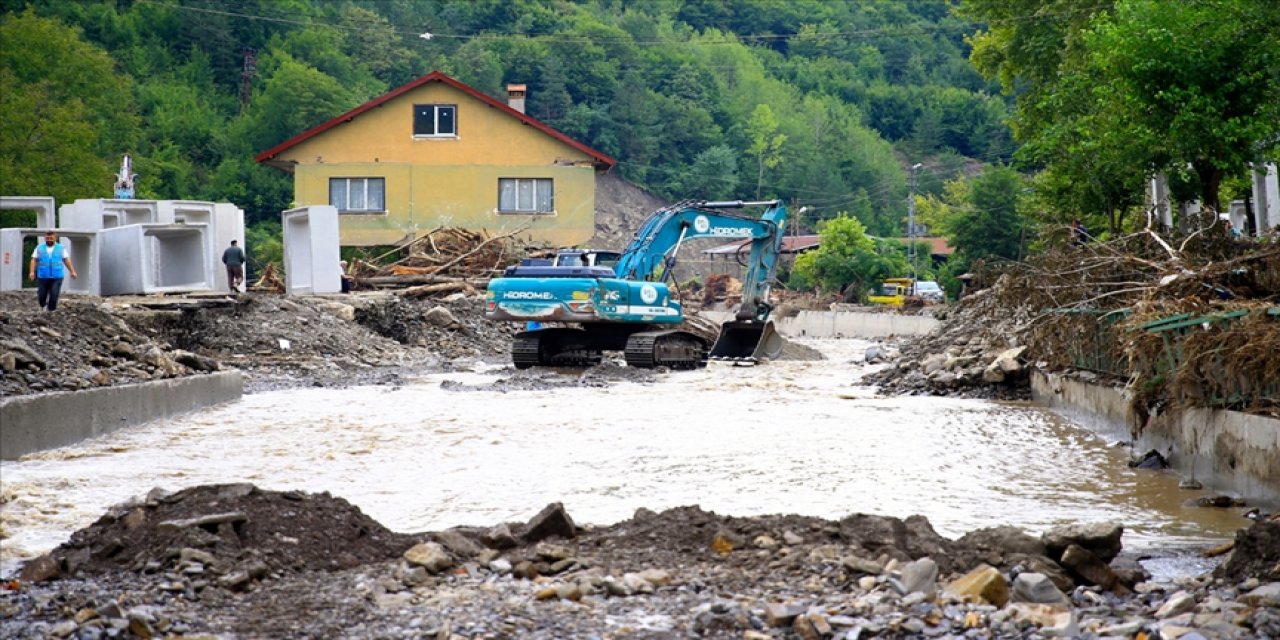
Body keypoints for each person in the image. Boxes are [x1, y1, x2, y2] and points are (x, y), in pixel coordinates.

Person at [28, 231, 77, 311]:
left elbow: (66, 260)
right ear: (45, 238)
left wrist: (72, 271)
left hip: (57, 276)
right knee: (42, 295)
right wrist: (32, 272)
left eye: (51, 238)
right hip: (43, 276)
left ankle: (51, 311)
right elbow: (34, 260)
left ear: (55, 238)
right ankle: (42, 305)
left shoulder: (61, 248)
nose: (49, 240)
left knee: (54, 295)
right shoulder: (39, 248)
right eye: (47, 238)